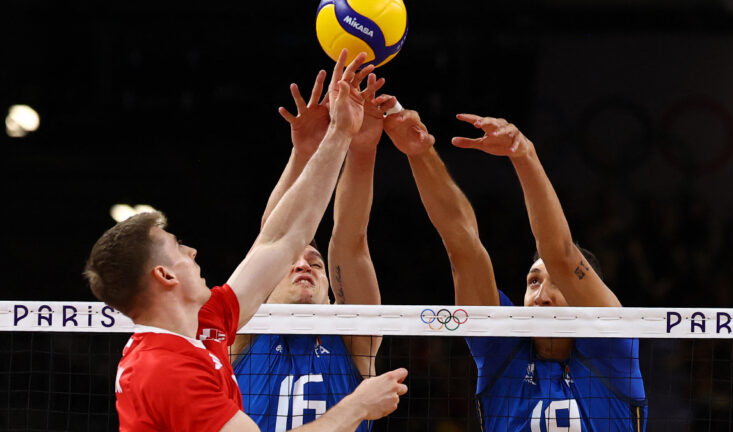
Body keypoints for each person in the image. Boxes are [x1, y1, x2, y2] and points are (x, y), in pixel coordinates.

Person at [83, 50, 408, 432]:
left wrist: (338, 136)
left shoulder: (207, 323)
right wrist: (356, 407)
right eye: (179, 250)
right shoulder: (166, 370)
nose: (192, 251)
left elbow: (278, 239)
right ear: (165, 276)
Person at [383, 108, 647, 431]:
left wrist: (523, 153)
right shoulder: (502, 349)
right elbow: (462, 246)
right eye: (533, 282)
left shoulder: (612, 347)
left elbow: (561, 254)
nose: (541, 296)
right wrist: (419, 152)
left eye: (557, 285)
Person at [230, 61, 398, 432]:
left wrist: (363, 147)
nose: (304, 265)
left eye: (316, 264)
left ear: (330, 294)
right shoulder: (242, 334)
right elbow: (272, 239)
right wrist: (303, 151)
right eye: (292, 262)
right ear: (264, 285)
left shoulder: (353, 338)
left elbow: (351, 242)